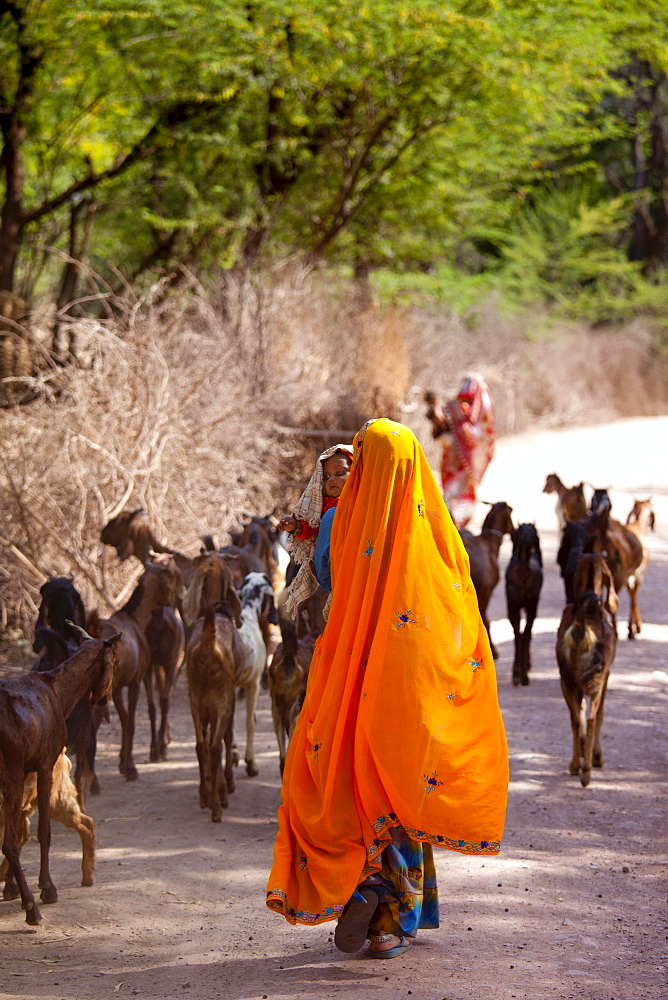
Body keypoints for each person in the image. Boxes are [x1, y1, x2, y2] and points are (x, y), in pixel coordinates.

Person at [266, 418, 508, 959]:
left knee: (354, 784)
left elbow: (325, 576)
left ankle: (370, 892)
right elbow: (458, 601)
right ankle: (399, 915)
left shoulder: (341, 519)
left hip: (350, 668)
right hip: (414, 683)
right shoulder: (435, 530)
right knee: (403, 791)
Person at [278, 445, 354, 620]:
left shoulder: (365, 502)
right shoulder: (326, 506)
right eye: (326, 476)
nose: (331, 479)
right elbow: (315, 530)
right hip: (331, 569)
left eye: (340, 473)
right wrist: (296, 526)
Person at [424, 373, 496, 529]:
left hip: (460, 465)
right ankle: (454, 523)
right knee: (453, 493)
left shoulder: (459, 409)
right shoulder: (455, 408)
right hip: (453, 463)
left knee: (461, 494)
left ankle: (458, 524)